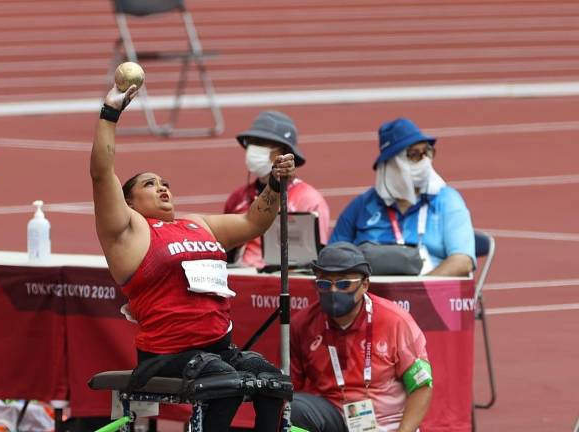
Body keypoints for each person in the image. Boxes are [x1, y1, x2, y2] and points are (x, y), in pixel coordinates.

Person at [90, 84, 294, 431]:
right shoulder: (129, 231)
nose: (163, 187)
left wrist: (274, 185)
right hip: (167, 356)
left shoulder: (197, 224)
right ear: (128, 202)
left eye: (165, 182)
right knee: (224, 384)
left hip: (218, 350)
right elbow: (100, 173)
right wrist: (110, 113)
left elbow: (253, 222)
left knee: (272, 382)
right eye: (150, 185)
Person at [290, 242, 433, 432]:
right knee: (293, 410)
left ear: (364, 284)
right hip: (334, 419)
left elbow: (422, 386)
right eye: (324, 284)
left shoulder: (395, 321)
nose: (333, 292)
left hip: (388, 425)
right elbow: (290, 388)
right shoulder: (303, 324)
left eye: (343, 284)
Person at [329, 117, 474, 276]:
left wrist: (418, 289)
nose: (425, 161)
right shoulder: (361, 206)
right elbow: (332, 258)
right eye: (414, 155)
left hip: (431, 295)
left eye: (427, 152)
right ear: (392, 163)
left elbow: (463, 260)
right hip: (371, 295)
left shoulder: (447, 200)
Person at [224, 110, 330, 268]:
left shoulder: (309, 200)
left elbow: (315, 261)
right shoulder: (238, 197)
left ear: (284, 152)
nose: (254, 149)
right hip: (238, 277)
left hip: (285, 281)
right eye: (252, 141)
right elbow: (223, 248)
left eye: (263, 142)